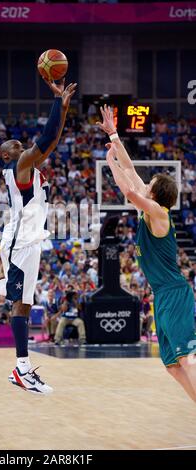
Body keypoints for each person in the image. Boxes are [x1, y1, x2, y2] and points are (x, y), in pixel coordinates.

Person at [97, 104, 196, 403]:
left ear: (155, 193)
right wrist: (112, 149)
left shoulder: (158, 213)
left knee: (188, 359)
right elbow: (127, 174)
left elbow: (129, 190)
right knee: (172, 366)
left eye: (149, 184)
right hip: (162, 294)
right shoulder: (150, 208)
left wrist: (117, 162)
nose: (146, 182)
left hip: (175, 293)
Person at [0, 78, 77, 394]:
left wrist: (64, 108)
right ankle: (22, 370)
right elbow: (45, 139)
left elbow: (52, 139)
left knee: (25, 304)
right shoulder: (19, 165)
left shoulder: (28, 165)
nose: (19, 145)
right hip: (21, 242)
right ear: (6, 156)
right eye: (13, 145)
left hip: (28, 241)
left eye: (19, 143)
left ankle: (23, 369)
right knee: (19, 303)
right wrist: (57, 100)